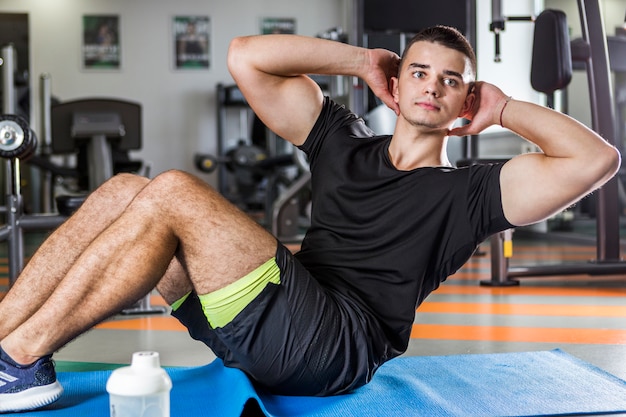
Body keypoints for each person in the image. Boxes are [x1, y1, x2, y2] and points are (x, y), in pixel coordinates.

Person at [0, 25, 619, 412]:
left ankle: (23, 359)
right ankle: (5, 339)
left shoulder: (472, 192)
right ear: (396, 88)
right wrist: (359, 60)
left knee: (173, 191)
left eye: (452, 81)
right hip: (272, 321)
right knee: (124, 190)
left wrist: (506, 107)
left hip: (334, 347)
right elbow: (247, 57)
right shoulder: (343, 141)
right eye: (419, 73)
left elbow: (597, 159)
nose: (432, 87)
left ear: (466, 101)